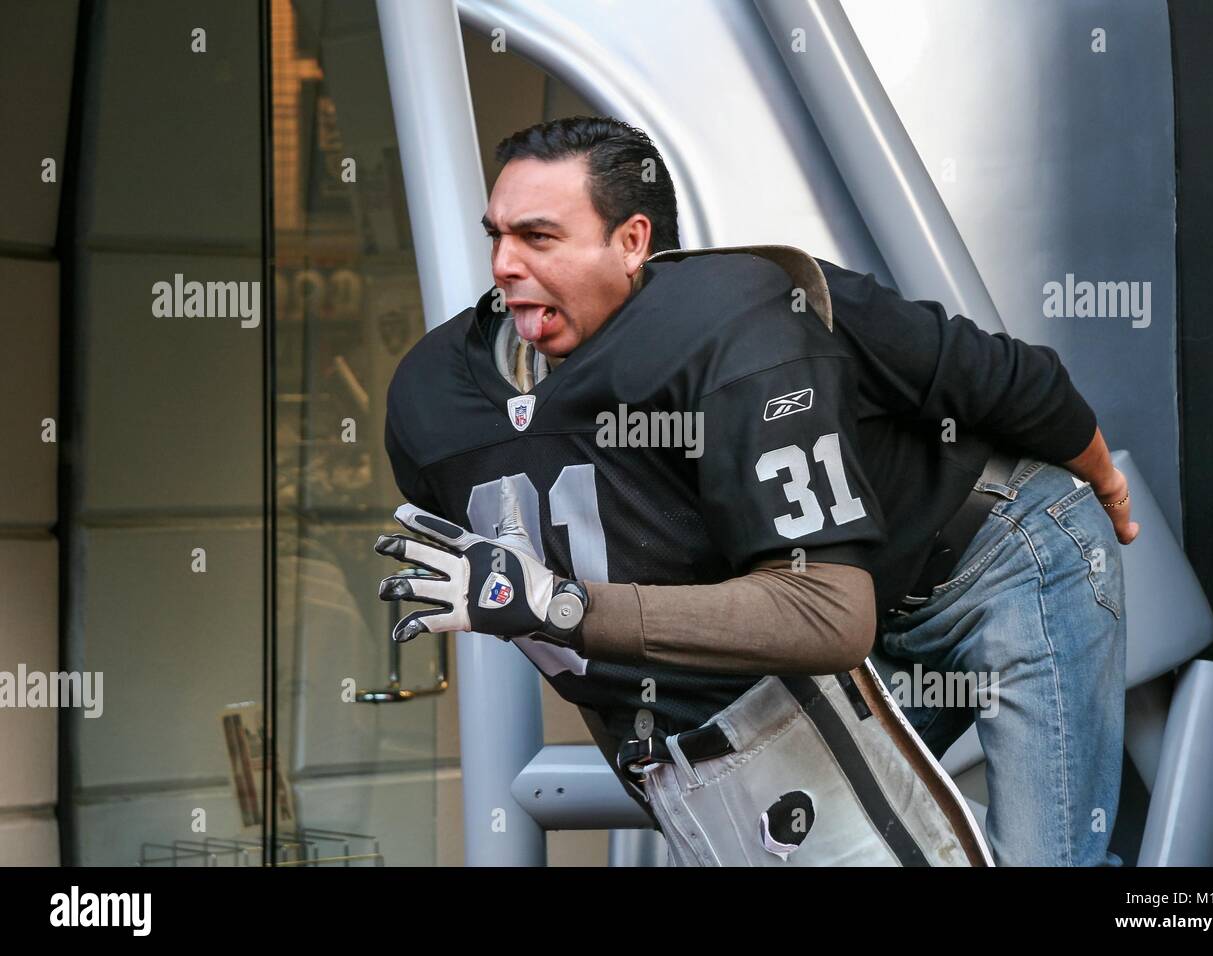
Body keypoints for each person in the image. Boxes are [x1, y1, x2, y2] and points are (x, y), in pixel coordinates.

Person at [379, 115, 1131, 866]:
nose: (504, 263)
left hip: (1004, 558)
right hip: (854, 626)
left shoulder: (758, 312)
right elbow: (616, 668)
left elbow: (1008, 379)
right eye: (497, 236)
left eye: (538, 237)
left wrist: (1105, 484)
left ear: (633, 242)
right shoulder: (487, 391)